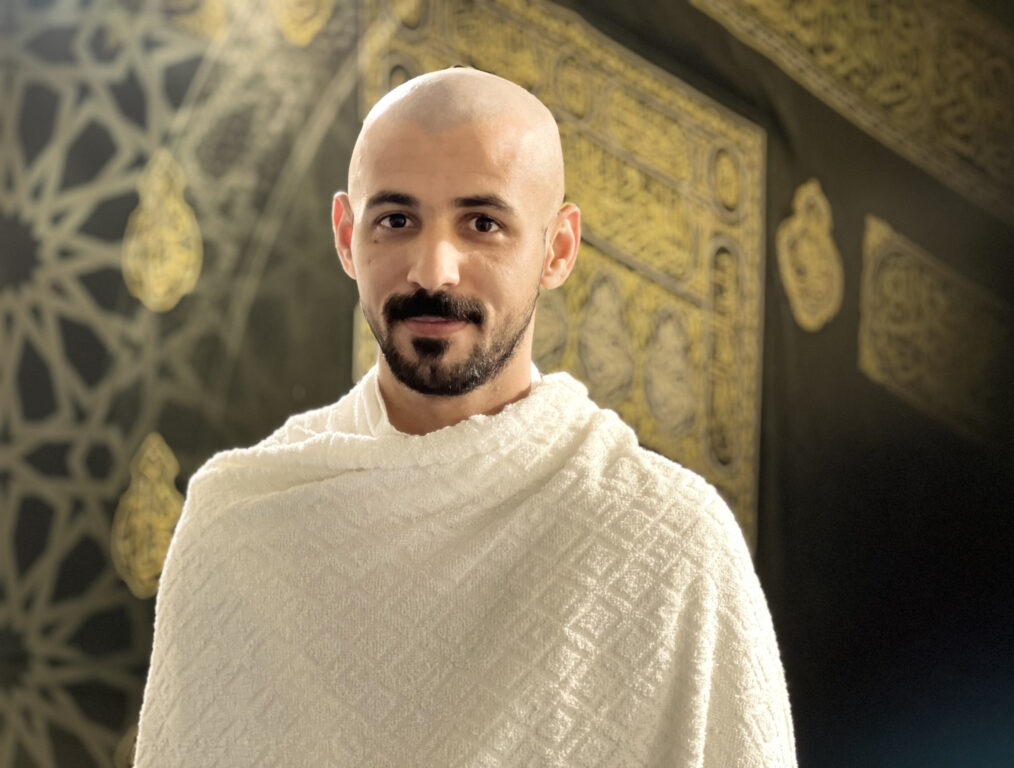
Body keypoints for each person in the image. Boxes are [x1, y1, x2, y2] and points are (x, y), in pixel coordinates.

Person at [134, 68, 797, 767]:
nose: (433, 271)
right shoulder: (240, 530)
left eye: (483, 224)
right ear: (347, 236)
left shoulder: (669, 546)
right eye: (396, 221)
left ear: (558, 249)